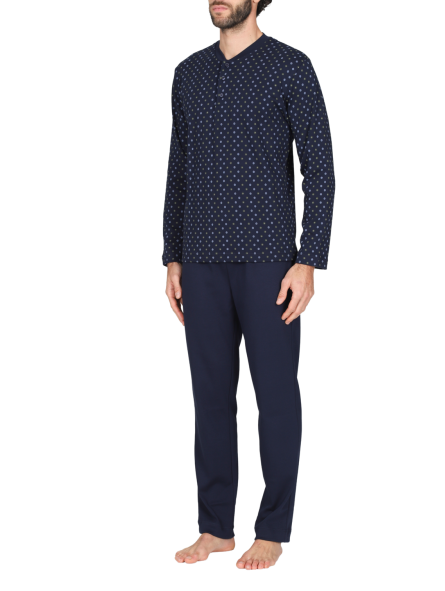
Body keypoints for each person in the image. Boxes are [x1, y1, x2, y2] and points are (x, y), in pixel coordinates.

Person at [162, 0, 335, 571]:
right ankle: (215, 528)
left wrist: (308, 261)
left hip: (269, 261)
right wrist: (172, 256)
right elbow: (178, 166)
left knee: (276, 395)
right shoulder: (188, 71)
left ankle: (273, 529)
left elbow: (319, 164)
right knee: (210, 398)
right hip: (200, 261)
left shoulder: (291, 65)